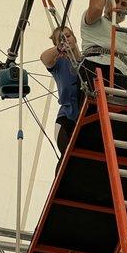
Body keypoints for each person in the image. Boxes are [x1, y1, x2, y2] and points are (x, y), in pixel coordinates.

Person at [40, 27, 81, 158]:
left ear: (74, 38)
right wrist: (59, 49)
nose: (66, 40)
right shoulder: (59, 62)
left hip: (85, 116)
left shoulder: (87, 62)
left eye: (68, 36)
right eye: (61, 40)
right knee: (67, 158)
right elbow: (44, 58)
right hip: (67, 118)